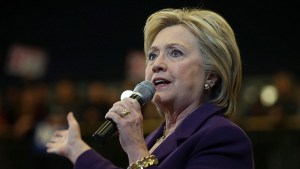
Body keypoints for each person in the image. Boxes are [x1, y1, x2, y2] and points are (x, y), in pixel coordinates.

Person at [46, 8, 255, 169]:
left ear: (211, 75)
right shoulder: (157, 136)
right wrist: (78, 150)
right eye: (153, 55)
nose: (156, 64)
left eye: (175, 53)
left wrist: (136, 148)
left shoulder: (223, 137)